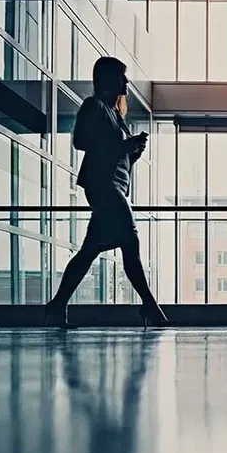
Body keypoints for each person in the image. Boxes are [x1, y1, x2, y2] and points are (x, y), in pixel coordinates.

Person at [45, 57, 171, 329]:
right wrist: (124, 148)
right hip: (105, 188)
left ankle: (57, 305)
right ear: (107, 79)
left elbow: (114, 155)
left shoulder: (116, 114)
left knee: (91, 250)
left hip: (114, 187)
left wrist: (132, 154)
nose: (126, 82)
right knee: (130, 242)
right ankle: (150, 306)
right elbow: (81, 142)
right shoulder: (94, 106)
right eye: (121, 77)